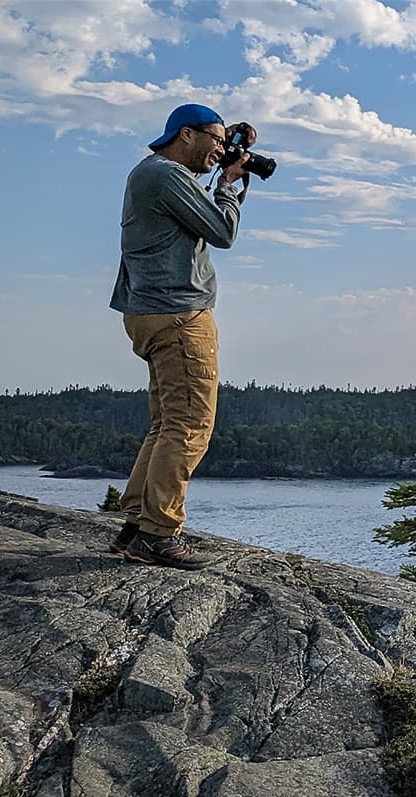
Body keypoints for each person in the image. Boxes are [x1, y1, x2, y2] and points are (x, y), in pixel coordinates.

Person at [108, 103, 252, 569]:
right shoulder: (167, 175)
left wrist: (224, 147)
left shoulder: (152, 174)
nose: (220, 151)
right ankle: (158, 533)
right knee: (190, 426)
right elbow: (221, 231)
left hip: (148, 312)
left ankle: (136, 525)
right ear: (186, 135)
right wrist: (228, 186)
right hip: (179, 316)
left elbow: (195, 210)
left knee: (166, 423)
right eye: (215, 141)